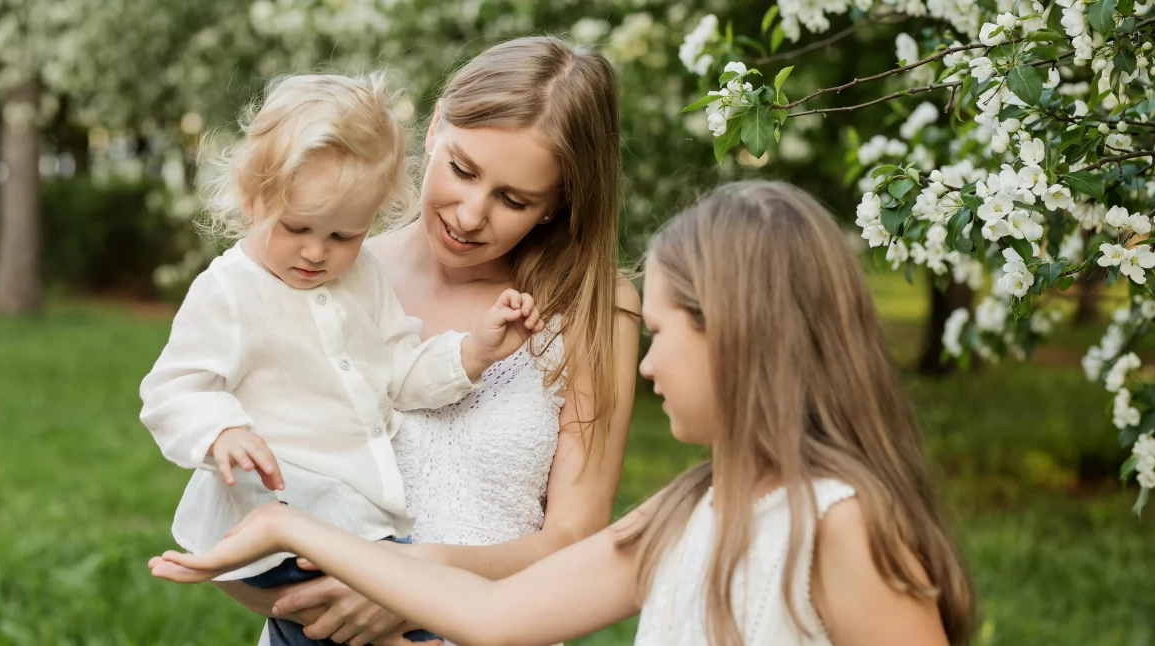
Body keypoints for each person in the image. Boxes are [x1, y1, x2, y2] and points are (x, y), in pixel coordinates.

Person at [151, 180, 978, 645]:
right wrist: (292, 529)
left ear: (742, 338)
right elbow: (499, 615)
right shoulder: (695, 505)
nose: (646, 364)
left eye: (661, 334)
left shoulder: (841, 524)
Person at [207, 37, 641, 645]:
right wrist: (347, 608)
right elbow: (239, 509)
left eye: (514, 199)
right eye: (462, 169)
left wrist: (408, 584)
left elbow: (576, 540)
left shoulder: (594, 306)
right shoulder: (321, 277)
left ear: (559, 202)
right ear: (435, 126)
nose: (469, 214)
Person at [139, 71, 543, 646]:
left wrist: (473, 353)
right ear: (253, 194)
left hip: (361, 524)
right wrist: (219, 429)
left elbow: (401, 373)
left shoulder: (363, 277)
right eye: (297, 226)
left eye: (344, 235)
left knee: (413, 614)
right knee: (386, 621)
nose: (316, 251)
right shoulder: (229, 289)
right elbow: (173, 389)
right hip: (276, 521)